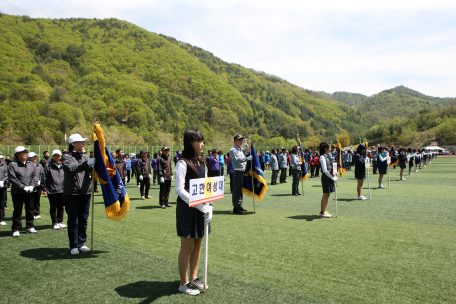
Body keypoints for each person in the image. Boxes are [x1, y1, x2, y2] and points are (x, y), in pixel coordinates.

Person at [174, 129, 213, 296]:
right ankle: (183, 283)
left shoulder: (202, 162)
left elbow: (206, 187)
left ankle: (194, 277)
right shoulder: (182, 162)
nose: (202, 144)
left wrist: (209, 205)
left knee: (198, 244)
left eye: (202, 140)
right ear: (190, 143)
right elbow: (179, 190)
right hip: (187, 209)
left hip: (201, 208)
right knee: (187, 246)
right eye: (199, 141)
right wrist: (198, 204)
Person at [62, 134, 96, 255]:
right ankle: (74, 245)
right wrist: (87, 164)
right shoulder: (66, 157)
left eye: (83, 142)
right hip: (72, 193)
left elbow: (90, 171)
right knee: (73, 220)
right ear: (72, 144)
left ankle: (81, 243)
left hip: (85, 192)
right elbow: (73, 168)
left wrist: (95, 166)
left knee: (83, 219)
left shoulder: (86, 156)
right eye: (80, 142)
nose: (83, 144)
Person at [9, 146, 39, 237]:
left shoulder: (31, 164)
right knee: (18, 210)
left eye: (26, 152)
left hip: (30, 191)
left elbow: (35, 176)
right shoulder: (12, 165)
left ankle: (30, 226)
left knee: (30, 209)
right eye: (23, 152)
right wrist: (22, 187)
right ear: (17, 154)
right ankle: (16, 228)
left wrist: (32, 186)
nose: (25, 153)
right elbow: (12, 178)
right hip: (18, 191)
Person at [43, 150, 66, 230]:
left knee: (61, 206)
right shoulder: (48, 166)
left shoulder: (64, 165)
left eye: (58, 155)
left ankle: (60, 221)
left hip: (62, 190)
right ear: (52, 156)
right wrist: (45, 189)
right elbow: (45, 178)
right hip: (52, 190)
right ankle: (55, 222)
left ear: (60, 156)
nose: (56, 156)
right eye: (54, 155)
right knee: (53, 207)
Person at [230, 134, 252, 214]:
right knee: (236, 189)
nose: (241, 141)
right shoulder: (233, 150)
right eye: (239, 140)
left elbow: (248, 151)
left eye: (242, 140)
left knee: (241, 189)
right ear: (235, 141)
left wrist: (247, 145)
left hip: (243, 171)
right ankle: (235, 207)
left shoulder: (241, 149)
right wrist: (247, 158)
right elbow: (237, 159)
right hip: (238, 171)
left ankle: (239, 204)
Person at [319, 142, 338, 218]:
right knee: (325, 194)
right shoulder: (322, 157)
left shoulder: (327, 156)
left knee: (328, 194)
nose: (331, 148)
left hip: (329, 177)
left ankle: (324, 210)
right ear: (325, 148)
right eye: (329, 147)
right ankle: (322, 211)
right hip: (326, 177)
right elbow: (325, 170)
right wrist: (332, 177)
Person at [27, 152, 45, 220]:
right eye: (33, 157)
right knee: (31, 200)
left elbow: (42, 174)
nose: (35, 158)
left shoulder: (39, 165)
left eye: (35, 156)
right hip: (30, 185)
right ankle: (31, 213)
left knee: (37, 199)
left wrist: (40, 181)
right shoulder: (27, 165)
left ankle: (36, 213)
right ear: (29, 158)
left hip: (38, 185)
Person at [0, 155, 8, 226]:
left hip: (2, 186)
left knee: (2, 202)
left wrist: (2, 181)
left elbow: (7, 174)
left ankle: (1, 219)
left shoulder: (4, 164)